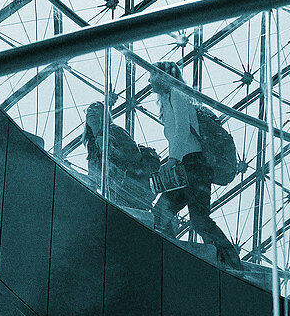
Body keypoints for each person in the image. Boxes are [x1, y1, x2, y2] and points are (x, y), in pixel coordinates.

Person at [150, 60, 242, 269]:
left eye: (152, 74)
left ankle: (232, 263)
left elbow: (183, 129)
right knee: (171, 215)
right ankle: (227, 261)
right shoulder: (168, 99)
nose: (149, 79)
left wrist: (172, 159)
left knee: (190, 217)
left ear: (163, 76)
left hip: (193, 166)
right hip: (186, 166)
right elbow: (181, 137)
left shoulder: (176, 94)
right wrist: (172, 160)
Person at [83, 102, 158, 215]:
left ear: (104, 114)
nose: (90, 111)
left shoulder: (114, 130)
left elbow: (134, 155)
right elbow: (93, 176)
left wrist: (111, 149)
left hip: (129, 191)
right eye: (88, 110)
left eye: (96, 109)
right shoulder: (92, 145)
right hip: (115, 195)